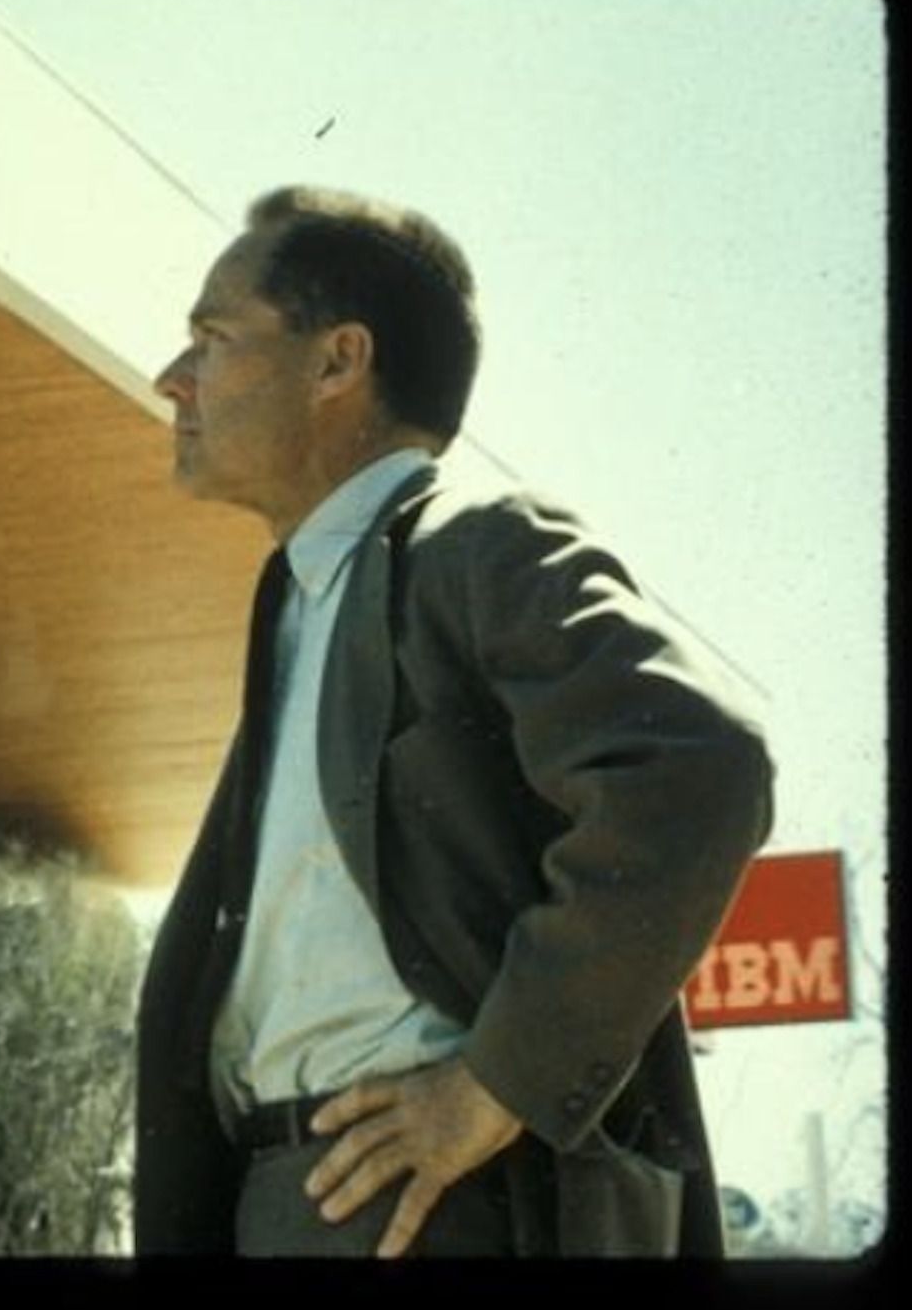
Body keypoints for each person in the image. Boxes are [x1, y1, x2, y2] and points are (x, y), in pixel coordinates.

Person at [132, 186, 774, 1258]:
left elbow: (699, 765)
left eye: (212, 337)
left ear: (338, 362)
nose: (172, 376)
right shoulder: (305, 604)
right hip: (296, 1197)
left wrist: (496, 1084)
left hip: (427, 1207)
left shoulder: (476, 545)